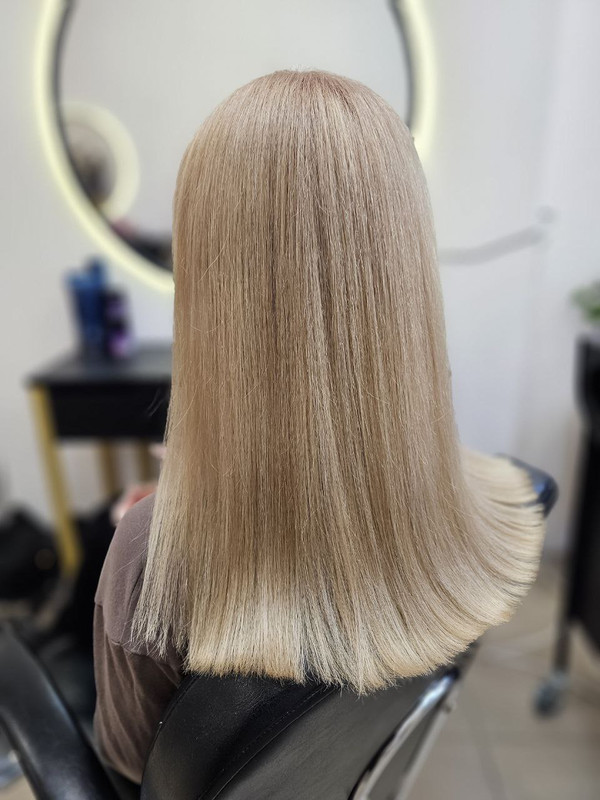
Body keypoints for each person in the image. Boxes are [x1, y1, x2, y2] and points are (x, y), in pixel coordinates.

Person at [93, 70, 546, 784]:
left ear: (209, 271)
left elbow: (128, 767)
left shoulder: (150, 560)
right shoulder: (471, 492)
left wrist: (154, 535)